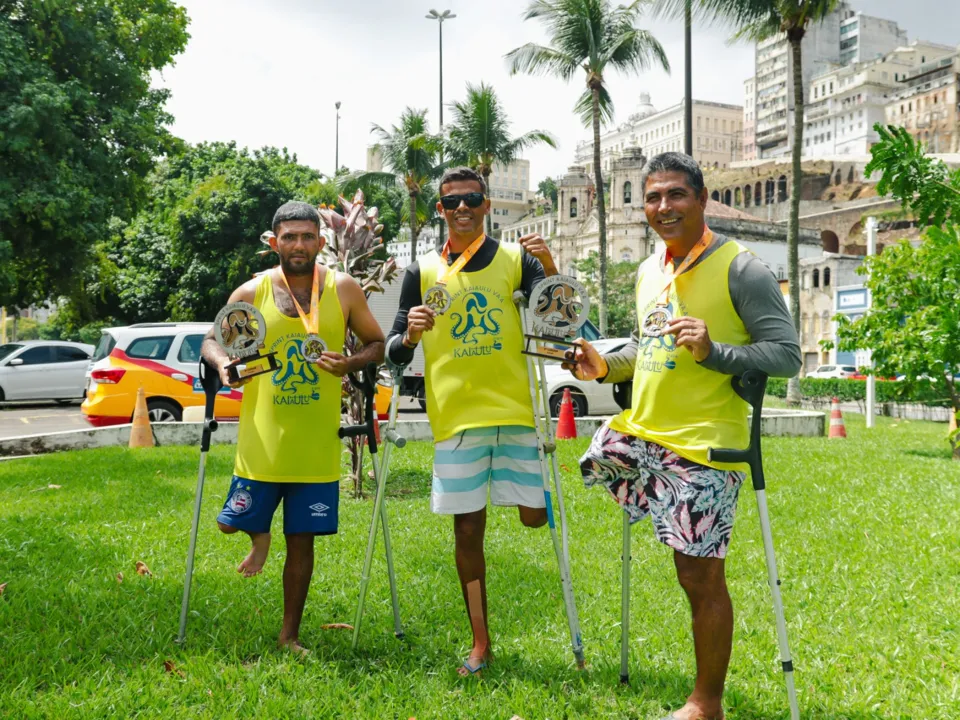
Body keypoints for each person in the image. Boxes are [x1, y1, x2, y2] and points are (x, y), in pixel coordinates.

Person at [566, 153, 801, 720]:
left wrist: (715, 351)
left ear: (701, 199)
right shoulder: (651, 269)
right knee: (596, 458)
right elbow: (649, 345)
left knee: (698, 574)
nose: (663, 207)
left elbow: (787, 355)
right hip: (643, 433)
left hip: (703, 442)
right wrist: (605, 364)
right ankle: (668, 517)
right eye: (653, 197)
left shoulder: (741, 268)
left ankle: (706, 703)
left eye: (675, 195)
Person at [386, 166, 559, 676]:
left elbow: (556, 318)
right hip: (457, 420)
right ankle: (480, 642)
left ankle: (538, 496)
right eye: (451, 201)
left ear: (487, 204)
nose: (461, 207)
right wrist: (410, 335)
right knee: (467, 530)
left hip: (514, 412)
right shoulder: (420, 271)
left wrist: (549, 267)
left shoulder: (517, 260)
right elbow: (394, 351)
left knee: (533, 517)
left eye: (471, 198)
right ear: (439, 210)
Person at [201, 201, 384, 654]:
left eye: (306, 237)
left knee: (302, 543)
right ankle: (258, 536)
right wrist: (224, 365)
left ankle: (289, 636)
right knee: (228, 523)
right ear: (273, 242)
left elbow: (377, 343)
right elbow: (211, 340)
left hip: (316, 446)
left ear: (321, 242)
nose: (298, 245)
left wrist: (349, 363)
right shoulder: (253, 291)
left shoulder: (343, 288)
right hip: (262, 442)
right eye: (289, 237)